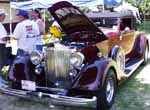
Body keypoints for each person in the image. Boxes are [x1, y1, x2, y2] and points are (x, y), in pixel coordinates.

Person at [0, 9, 8, 85]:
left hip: (2, 45)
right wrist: (9, 37)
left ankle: (1, 79)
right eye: (4, 16)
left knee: (2, 62)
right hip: (1, 45)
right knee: (1, 62)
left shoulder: (1, 24)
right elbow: (2, 38)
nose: (5, 17)